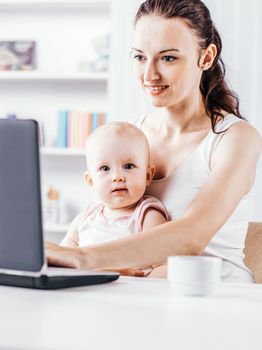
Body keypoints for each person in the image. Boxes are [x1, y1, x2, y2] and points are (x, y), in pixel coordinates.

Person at [46, 0, 262, 282]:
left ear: (206, 58)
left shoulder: (234, 138)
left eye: (168, 58)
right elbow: (102, 220)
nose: (150, 75)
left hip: (213, 296)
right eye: (140, 57)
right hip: (143, 295)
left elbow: (192, 236)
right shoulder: (130, 136)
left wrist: (83, 258)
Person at [60, 122, 168, 256]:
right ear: (91, 181)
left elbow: (162, 264)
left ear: (147, 175)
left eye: (128, 166)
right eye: (105, 168)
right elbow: (63, 258)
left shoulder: (147, 217)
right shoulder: (85, 218)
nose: (117, 177)